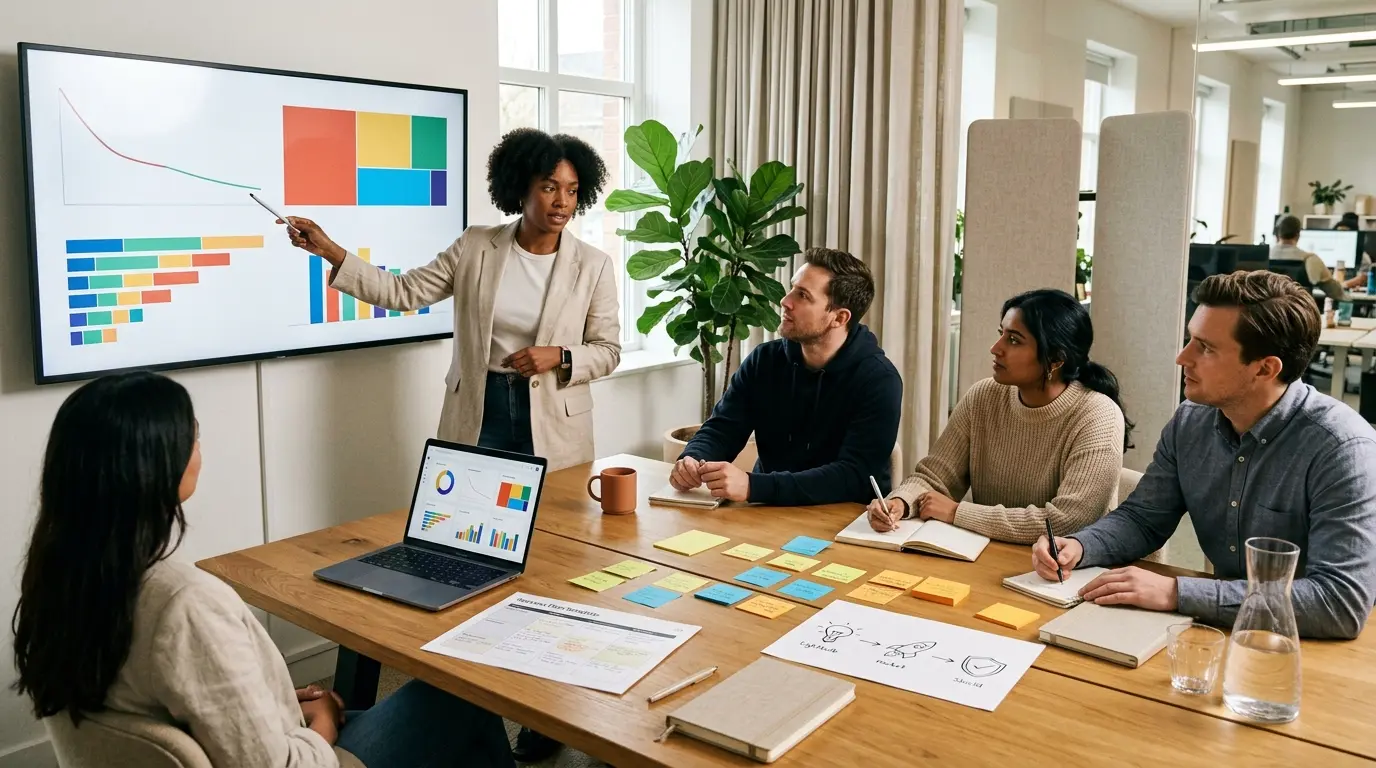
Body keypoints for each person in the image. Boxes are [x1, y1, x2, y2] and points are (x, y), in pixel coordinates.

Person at [11, 372, 515, 767]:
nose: (199, 444)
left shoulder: (62, 579)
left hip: (240, 744)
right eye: (193, 435)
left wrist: (271, 701)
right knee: (460, 696)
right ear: (158, 466)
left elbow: (177, 694)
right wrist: (320, 727)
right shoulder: (182, 604)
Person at [1032, 272, 1376, 639]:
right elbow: (1144, 519)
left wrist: (1177, 591)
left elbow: (1338, 602)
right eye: (1189, 340)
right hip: (1222, 633)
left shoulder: (1342, 448)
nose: (1182, 357)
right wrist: (1082, 546)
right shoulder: (1190, 421)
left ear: (1266, 368)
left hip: (1313, 649)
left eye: (1206, 348)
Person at [283, 128, 621, 472]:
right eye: (549, 187)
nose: (562, 201)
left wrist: (560, 356)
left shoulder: (594, 265)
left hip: (555, 420)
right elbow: (403, 291)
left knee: (554, 519)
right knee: (468, 516)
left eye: (572, 191)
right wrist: (330, 250)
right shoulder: (476, 245)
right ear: (520, 188)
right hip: (481, 408)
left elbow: (608, 351)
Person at [868, 289, 1130, 543]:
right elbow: (934, 478)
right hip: (983, 555)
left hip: (1061, 572)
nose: (995, 348)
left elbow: (1067, 522)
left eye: (1014, 340)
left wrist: (956, 512)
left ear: (1056, 359)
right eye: (1000, 334)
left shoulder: (1098, 416)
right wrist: (899, 502)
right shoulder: (983, 396)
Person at [668, 247, 902, 506]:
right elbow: (723, 428)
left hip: (842, 518)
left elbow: (853, 476)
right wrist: (692, 458)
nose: (785, 301)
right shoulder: (764, 361)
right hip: (767, 510)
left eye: (802, 295)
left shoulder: (879, 380)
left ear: (839, 317)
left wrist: (753, 486)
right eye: (792, 288)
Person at [1270, 214, 1345, 303]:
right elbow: (1336, 292)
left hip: (1265, 315)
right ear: (1298, 235)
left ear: (1277, 234)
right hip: (1300, 314)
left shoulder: (1263, 256)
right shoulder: (1310, 259)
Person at [1334, 213, 1373, 290]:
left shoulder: (1362, 257)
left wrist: (1342, 285)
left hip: (1348, 290)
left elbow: (1363, 277)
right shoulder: (1331, 252)